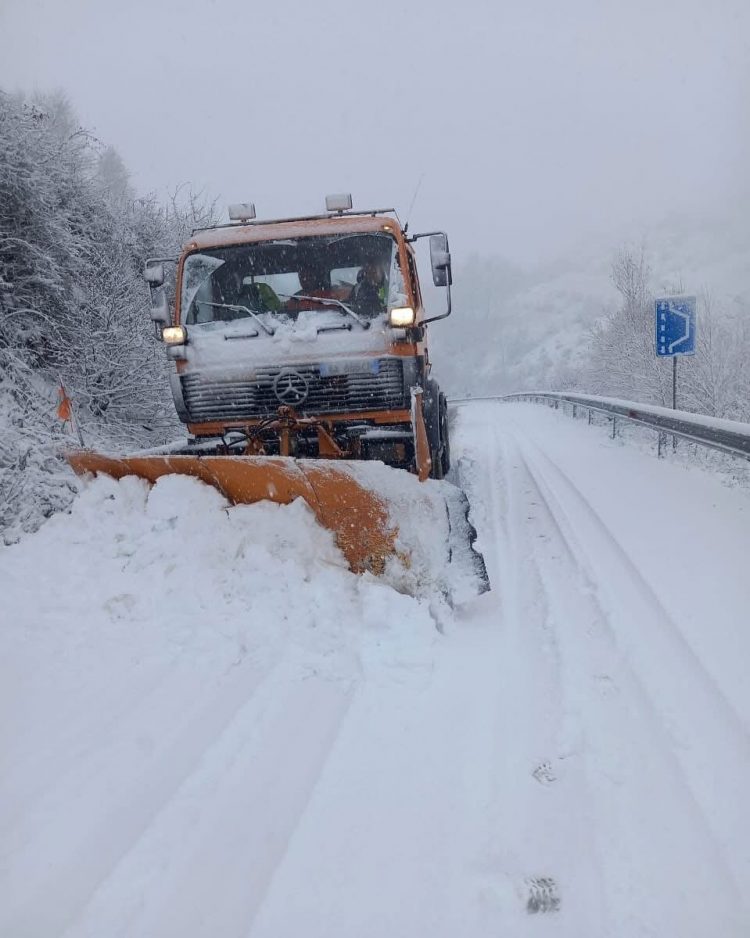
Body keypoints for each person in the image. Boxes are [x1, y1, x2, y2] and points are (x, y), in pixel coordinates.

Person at [284, 261, 351, 313]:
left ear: (317, 277)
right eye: (301, 277)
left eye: (309, 276)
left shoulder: (334, 292)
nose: (305, 280)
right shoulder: (296, 297)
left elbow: (342, 309)